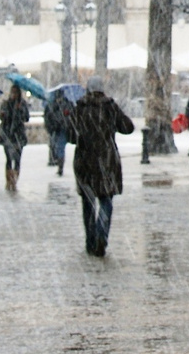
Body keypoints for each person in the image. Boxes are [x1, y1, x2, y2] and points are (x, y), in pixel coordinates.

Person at [68, 76, 134, 257]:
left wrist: (82, 133)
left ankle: (91, 242)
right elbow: (128, 127)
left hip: (85, 161)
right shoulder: (110, 107)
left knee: (88, 204)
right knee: (106, 200)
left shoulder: (80, 108)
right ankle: (101, 236)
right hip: (106, 160)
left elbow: (70, 136)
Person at [0, 84, 30, 193]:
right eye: (12, 92)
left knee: (17, 159)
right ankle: (8, 180)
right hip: (8, 135)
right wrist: (5, 114)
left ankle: (14, 180)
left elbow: (26, 118)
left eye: (16, 92)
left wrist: (20, 110)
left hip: (18, 135)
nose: (14, 94)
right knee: (8, 159)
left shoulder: (22, 104)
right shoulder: (6, 104)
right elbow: (2, 117)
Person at [44, 91, 69, 176]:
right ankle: (58, 162)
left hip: (60, 128)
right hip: (56, 128)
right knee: (56, 146)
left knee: (59, 147)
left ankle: (60, 166)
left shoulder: (59, 105)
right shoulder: (54, 105)